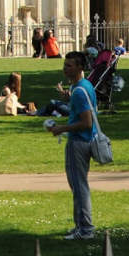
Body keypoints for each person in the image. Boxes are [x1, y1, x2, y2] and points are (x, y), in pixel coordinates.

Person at [45, 51, 100, 239]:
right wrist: (67, 97)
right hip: (85, 140)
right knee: (78, 185)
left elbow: (87, 122)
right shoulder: (83, 86)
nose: (65, 69)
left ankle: (85, 229)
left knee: (79, 186)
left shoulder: (79, 91)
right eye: (65, 65)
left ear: (79, 68)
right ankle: (80, 226)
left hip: (79, 142)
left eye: (69, 65)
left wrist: (62, 128)